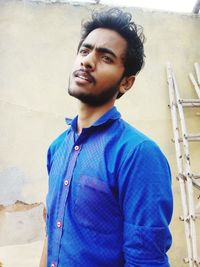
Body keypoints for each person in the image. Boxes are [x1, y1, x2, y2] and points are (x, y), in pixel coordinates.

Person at [39, 7, 173, 267]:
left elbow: (146, 260)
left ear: (126, 83)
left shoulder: (138, 154)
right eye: (84, 50)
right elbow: (52, 232)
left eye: (106, 58)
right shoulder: (57, 147)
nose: (87, 61)